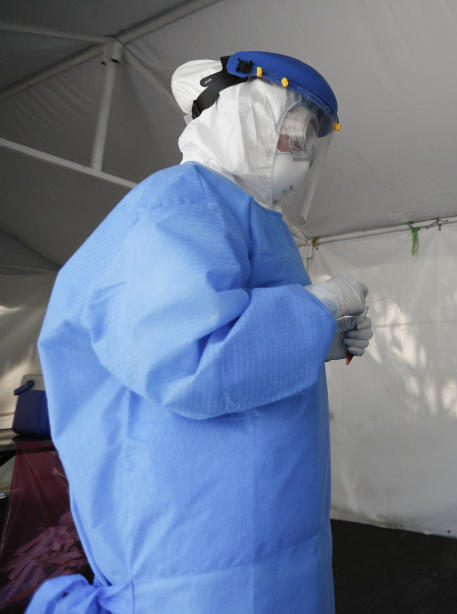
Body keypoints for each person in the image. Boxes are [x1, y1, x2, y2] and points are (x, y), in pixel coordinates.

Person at [27, 52, 371, 613]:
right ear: (244, 111)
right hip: (195, 554)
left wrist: (319, 338)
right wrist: (315, 311)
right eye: (294, 130)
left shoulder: (253, 218)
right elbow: (193, 359)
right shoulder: (175, 204)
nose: (303, 153)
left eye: (314, 138)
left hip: (270, 537)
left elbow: (247, 337)